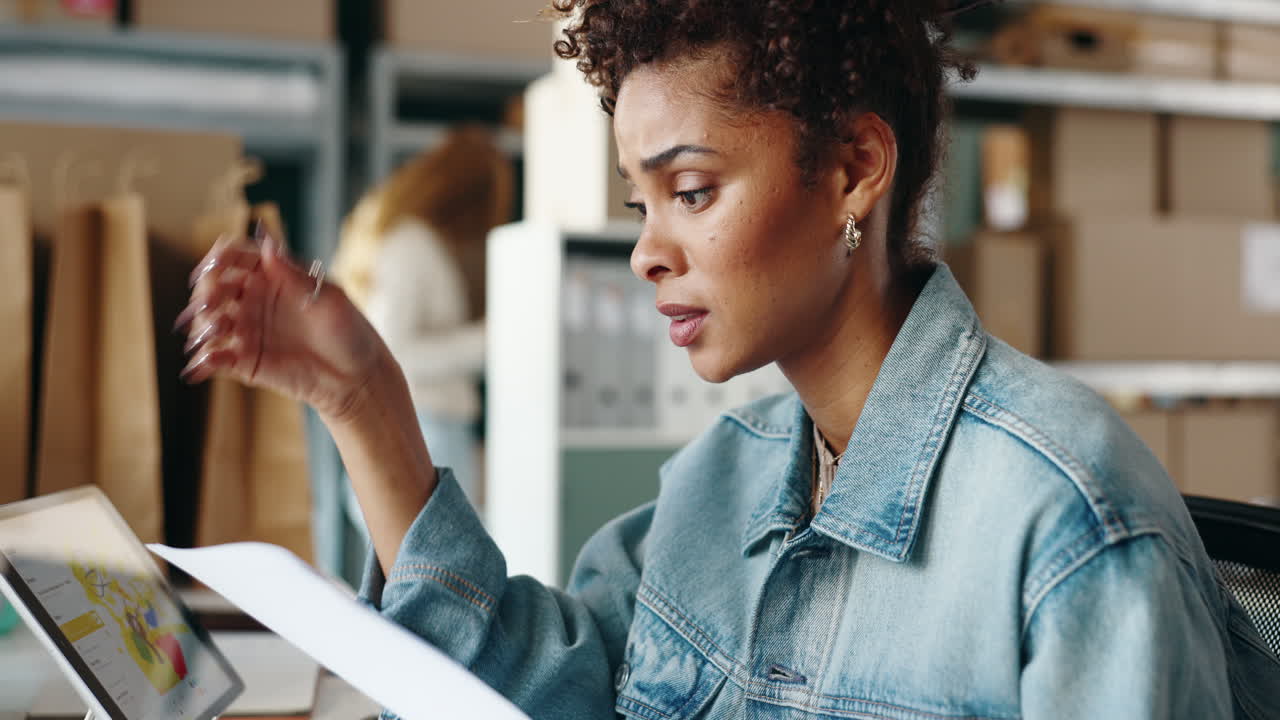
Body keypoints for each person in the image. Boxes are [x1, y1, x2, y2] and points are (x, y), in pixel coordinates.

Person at [176, 1, 1280, 718]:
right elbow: (549, 692)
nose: (650, 251)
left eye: (693, 191)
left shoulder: (1068, 525)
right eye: (640, 202)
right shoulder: (722, 479)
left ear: (853, 168)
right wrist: (365, 398)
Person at [331, 128, 513, 511]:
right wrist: (498, 337)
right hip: (427, 430)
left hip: (423, 429)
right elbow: (396, 351)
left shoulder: (403, 237)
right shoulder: (410, 243)